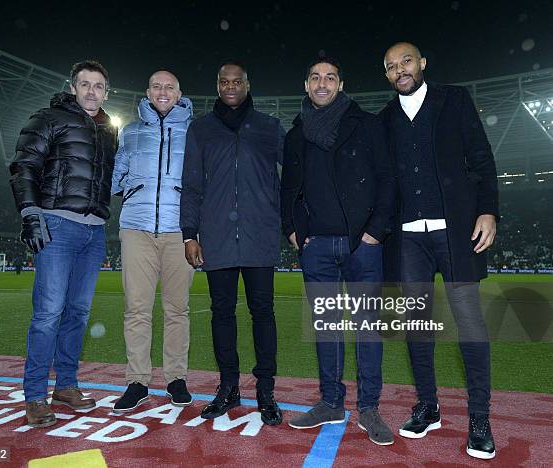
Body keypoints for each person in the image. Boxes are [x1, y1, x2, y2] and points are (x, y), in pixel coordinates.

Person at [379, 42, 499, 459]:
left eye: (406, 61)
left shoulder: (454, 100)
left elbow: (482, 158)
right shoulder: (386, 119)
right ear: (388, 75)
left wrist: (487, 210)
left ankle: (479, 419)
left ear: (423, 63)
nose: (400, 70)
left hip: (455, 233)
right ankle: (428, 407)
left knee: (469, 324)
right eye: (392, 67)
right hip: (408, 238)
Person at [280, 57, 396, 445]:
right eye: (315, 77)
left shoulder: (365, 124)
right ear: (307, 84)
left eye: (330, 77)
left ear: (341, 84)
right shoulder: (296, 133)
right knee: (327, 330)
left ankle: (369, 407)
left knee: (368, 330)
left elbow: (386, 179)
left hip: (361, 244)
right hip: (316, 247)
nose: (322, 83)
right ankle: (331, 401)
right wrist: (293, 231)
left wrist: (375, 233)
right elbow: (288, 189)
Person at [9, 60, 118, 428]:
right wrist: (30, 212)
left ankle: (66, 385)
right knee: (48, 314)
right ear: (73, 87)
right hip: (56, 225)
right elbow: (23, 165)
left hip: (94, 231)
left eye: (98, 86)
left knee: (78, 313)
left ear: (106, 92)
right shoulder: (48, 118)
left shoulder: (107, 131)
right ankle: (36, 395)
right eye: (85, 84)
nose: (91, 91)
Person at [180, 60, 285, 426]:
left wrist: (285, 223)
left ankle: (266, 390)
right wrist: (189, 234)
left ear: (247, 83)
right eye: (224, 81)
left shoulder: (270, 127)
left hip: (260, 234)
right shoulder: (201, 129)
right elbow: (191, 185)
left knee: (263, 314)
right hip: (218, 237)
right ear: (217, 84)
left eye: (236, 81)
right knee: (221, 313)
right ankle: (228, 387)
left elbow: (291, 181)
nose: (230, 86)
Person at [111, 70, 195, 412]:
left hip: (180, 231)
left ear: (179, 93)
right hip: (136, 228)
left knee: (177, 309)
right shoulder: (129, 132)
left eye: (169, 87)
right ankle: (137, 381)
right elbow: (115, 180)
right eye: (157, 86)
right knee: (136, 309)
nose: (163, 91)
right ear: (147, 92)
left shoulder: (196, 132)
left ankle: (176, 378)